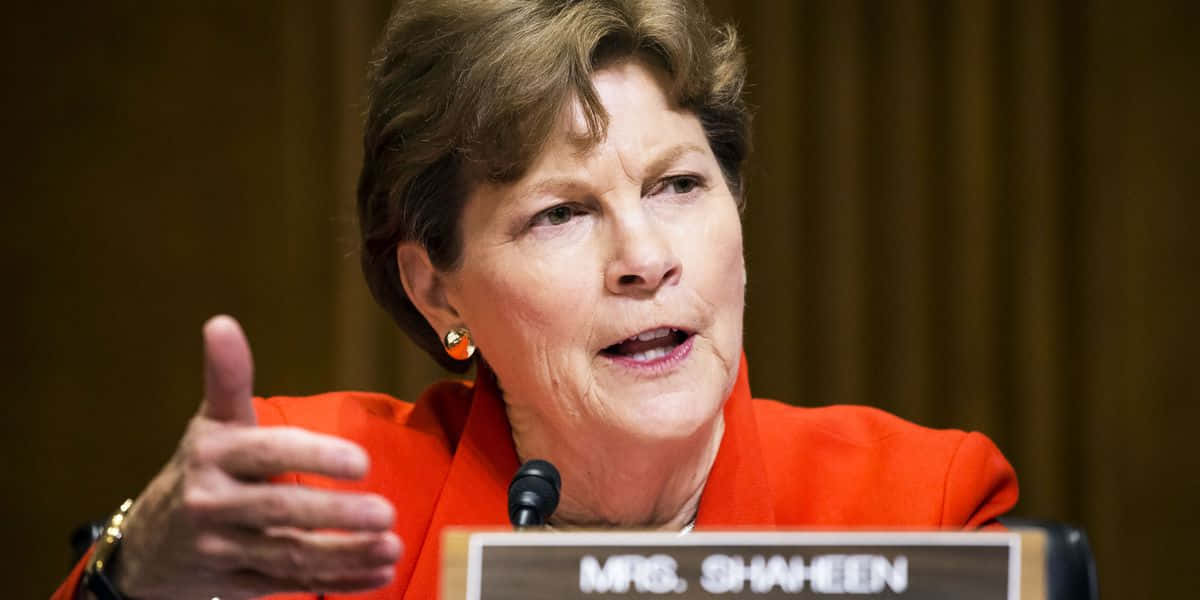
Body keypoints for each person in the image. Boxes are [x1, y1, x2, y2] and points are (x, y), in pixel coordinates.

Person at [55, 0, 1018, 598]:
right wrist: (136, 583)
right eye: (559, 214)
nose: (644, 257)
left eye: (678, 186)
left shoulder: (917, 506)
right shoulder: (318, 510)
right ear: (437, 291)